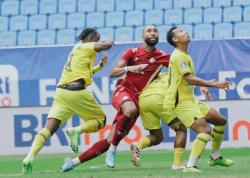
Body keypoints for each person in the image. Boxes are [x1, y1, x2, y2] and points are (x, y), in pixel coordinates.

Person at [60, 25, 170, 172]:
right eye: (149, 31)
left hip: (139, 100)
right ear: (142, 36)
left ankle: (73, 162)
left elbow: (181, 71)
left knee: (110, 138)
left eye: (155, 31)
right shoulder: (132, 52)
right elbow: (113, 72)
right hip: (124, 91)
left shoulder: (162, 56)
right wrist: (129, 69)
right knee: (129, 110)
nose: (153, 33)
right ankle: (113, 150)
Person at [22, 28, 114, 173]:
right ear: (91, 38)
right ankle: (75, 131)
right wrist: (110, 41)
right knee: (101, 120)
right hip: (75, 91)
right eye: (97, 38)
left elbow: (85, 71)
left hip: (61, 92)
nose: (97, 41)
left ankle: (30, 156)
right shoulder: (86, 46)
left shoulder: (76, 50)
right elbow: (106, 45)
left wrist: (99, 66)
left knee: (49, 128)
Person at [163, 27, 234, 172]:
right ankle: (190, 166)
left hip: (190, 99)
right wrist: (213, 83)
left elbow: (187, 79)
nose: (186, 32)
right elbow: (188, 78)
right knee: (204, 131)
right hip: (180, 102)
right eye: (181, 32)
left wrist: (202, 86)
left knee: (220, 121)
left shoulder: (185, 55)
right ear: (175, 39)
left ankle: (215, 158)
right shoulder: (178, 55)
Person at [130, 73, 187, 169]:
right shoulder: (178, 75)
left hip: (143, 100)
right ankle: (177, 164)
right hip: (159, 98)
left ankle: (138, 145)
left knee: (157, 136)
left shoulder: (159, 74)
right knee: (181, 129)